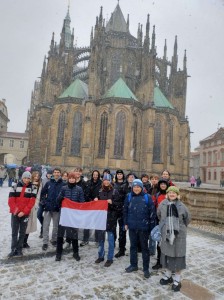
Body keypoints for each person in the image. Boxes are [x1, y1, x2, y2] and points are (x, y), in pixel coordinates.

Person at [157, 186, 191, 292]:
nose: (172, 194)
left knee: (178, 257)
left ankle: (177, 279)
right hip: (166, 235)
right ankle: (168, 275)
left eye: (174, 193)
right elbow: (159, 216)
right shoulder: (162, 204)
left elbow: (187, 219)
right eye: (170, 192)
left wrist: (177, 228)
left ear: (177, 195)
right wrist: (167, 228)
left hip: (179, 236)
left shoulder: (182, 206)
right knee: (167, 255)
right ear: (167, 194)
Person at [123, 179, 156, 279]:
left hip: (143, 227)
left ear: (141, 188)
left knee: (144, 248)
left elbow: (152, 213)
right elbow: (125, 210)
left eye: (138, 187)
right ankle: (134, 265)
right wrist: (125, 223)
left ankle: (146, 268)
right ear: (132, 187)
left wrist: (151, 227)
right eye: (134, 186)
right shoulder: (129, 197)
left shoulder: (147, 197)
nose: (136, 188)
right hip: (132, 226)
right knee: (133, 247)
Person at [55, 172, 85, 261]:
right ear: (68, 179)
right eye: (70, 178)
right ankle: (58, 253)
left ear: (75, 179)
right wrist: (61, 198)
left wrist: (77, 206)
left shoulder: (79, 189)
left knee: (74, 235)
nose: (72, 179)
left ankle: (75, 252)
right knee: (60, 235)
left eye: (73, 178)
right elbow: (58, 200)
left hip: (74, 216)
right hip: (64, 215)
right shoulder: (64, 188)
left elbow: (82, 201)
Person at [8, 171, 37, 257]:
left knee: (22, 232)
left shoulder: (33, 188)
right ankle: (13, 249)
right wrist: (16, 211)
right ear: (22, 178)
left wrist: (24, 212)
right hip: (15, 213)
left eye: (28, 178)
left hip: (25, 214)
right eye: (25, 178)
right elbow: (11, 200)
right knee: (14, 232)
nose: (26, 180)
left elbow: (32, 202)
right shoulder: (15, 186)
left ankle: (19, 249)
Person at [94, 174, 120, 267]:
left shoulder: (114, 191)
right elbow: (95, 204)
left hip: (111, 218)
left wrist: (112, 203)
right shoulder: (99, 191)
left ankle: (110, 258)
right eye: (104, 180)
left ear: (110, 181)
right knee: (101, 239)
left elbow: (118, 205)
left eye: (107, 180)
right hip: (101, 218)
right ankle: (100, 256)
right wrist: (95, 200)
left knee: (110, 239)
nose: (106, 182)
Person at [41, 168, 64, 250]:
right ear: (53, 173)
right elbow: (43, 194)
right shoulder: (48, 183)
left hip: (57, 208)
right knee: (46, 226)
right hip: (48, 207)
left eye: (58, 172)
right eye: (55, 172)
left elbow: (64, 196)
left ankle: (54, 239)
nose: (56, 174)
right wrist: (44, 202)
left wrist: (60, 204)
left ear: (60, 174)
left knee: (55, 226)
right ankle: (45, 242)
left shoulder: (63, 184)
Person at [151, 178, 169, 269]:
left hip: (169, 221)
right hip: (159, 221)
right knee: (159, 242)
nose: (163, 185)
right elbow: (153, 206)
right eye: (161, 184)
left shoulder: (170, 195)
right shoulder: (157, 195)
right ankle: (159, 261)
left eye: (164, 184)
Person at [82, 170, 102, 246]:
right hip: (89, 204)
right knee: (87, 223)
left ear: (98, 175)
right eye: (94, 174)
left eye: (97, 175)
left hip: (97, 205)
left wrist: (97, 197)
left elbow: (101, 193)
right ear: (92, 175)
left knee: (97, 223)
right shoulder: (88, 183)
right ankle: (85, 239)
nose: (95, 176)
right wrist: (90, 199)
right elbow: (86, 193)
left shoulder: (101, 183)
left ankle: (97, 239)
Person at [23, 171, 42, 248]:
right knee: (24, 223)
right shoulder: (28, 184)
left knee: (29, 224)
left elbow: (38, 195)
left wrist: (36, 204)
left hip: (33, 206)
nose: (36, 178)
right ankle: (21, 240)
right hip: (25, 206)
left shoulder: (40, 185)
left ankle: (25, 241)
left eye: (38, 176)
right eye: (35, 176)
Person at [113, 169, 127, 258]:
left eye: (120, 174)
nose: (119, 175)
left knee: (122, 231)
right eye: (118, 174)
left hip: (122, 210)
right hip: (114, 209)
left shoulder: (126, 185)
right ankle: (113, 243)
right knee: (113, 229)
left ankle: (122, 248)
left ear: (122, 175)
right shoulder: (113, 184)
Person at [37, 169, 52, 238]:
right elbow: (40, 191)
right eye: (48, 174)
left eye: (50, 174)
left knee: (46, 218)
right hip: (42, 201)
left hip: (49, 202)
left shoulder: (53, 181)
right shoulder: (43, 180)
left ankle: (42, 232)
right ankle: (43, 225)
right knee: (39, 214)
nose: (49, 175)